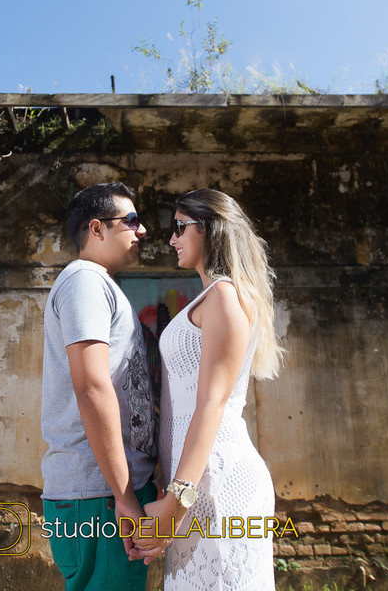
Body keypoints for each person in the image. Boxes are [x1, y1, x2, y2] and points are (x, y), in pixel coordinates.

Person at [133, 189, 284, 591]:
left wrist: (176, 499)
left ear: (210, 229)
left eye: (180, 226)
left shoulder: (223, 295)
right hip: (195, 482)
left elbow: (211, 403)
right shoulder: (212, 297)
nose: (172, 238)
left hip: (216, 480)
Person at [41, 182, 158, 591]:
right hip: (101, 498)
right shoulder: (84, 281)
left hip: (109, 492)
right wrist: (124, 497)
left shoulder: (100, 284)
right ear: (97, 229)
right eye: (131, 221)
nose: (141, 231)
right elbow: (91, 386)